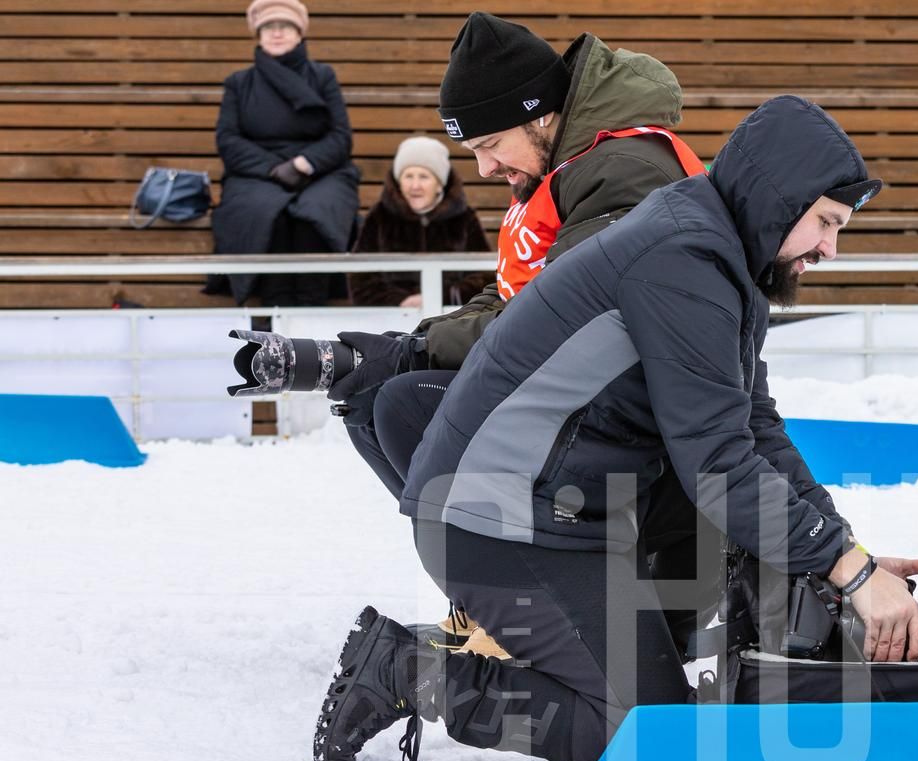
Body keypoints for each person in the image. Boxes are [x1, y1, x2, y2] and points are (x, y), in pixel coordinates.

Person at [310, 97, 918, 761]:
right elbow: (719, 463)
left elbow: (756, 428)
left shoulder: (720, 253)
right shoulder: (684, 259)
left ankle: (731, 659)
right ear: (778, 199)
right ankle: (409, 669)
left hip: (568, 509)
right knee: (648, 738)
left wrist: (846, 553)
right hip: (493, 518)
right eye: (825, 223)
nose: (829, 248)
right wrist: (850, 571)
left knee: (694, 656)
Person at [330, 12, 696, 504]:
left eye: (491, 145)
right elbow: (511, 292)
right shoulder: (559, 167)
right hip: (581, 381)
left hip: (637, 410)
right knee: (373, 401)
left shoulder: (622, 172)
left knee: (403, 401)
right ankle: (480, 555)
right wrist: (409, 343)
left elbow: (564, 317)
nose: (484, 168)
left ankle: (521, 559)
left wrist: (411, 355)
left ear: (539, 114)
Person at [208, 0, 359, 306]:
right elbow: (228, 139)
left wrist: (304, 164)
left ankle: (312, 308)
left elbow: (340, 137)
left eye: (285, 26)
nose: (277, 33)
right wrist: (274, 169)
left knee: (317, 211)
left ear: (299, 33)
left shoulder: (323, 76)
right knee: (265, 211)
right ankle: (273, 309)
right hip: (257, 173)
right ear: (258, 34)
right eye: (269, 27)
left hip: (320, 170)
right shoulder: (239, 83)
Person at [348, 135, 490, 309]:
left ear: (439, 185)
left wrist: (440, 297)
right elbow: (360, 279)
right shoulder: (380, 216)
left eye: (423, 177)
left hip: (450, 316)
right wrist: (400, 301)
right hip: (391, 317)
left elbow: (484, 276)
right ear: (399, 182)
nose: (415, 185)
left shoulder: (464, 218)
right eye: (408, 176)